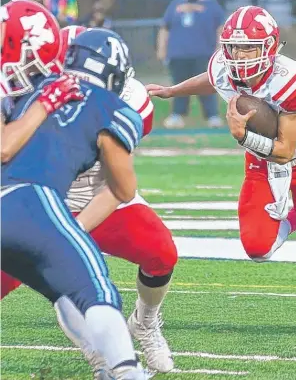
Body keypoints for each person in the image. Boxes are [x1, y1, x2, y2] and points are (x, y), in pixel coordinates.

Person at [147, 5, 296, 332]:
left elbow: (284, 151)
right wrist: (173, 90)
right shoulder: (223, 67)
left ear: (269, 48)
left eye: (248, 48)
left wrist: (242, 137)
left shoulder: (293, 80)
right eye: (233, 47)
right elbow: (212, 79)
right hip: (259, 163)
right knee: (257, 248)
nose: (239, 56)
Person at [2, 24, 178, 374]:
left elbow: (116, 186)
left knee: (161, 252)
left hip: (95, 195)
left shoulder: (132, 102)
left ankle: (145, 322)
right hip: (36, 197)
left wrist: (73, 231)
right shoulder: (27, 89)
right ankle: (102, 357)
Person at [157, 0, 225, 129]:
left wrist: (219, 49)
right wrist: (161, 49)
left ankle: (212, 116)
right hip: (178, 54)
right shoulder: (176, 3)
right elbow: (165, 28)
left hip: (203, 53)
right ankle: (177, 115)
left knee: (206, 85)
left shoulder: (211, 4)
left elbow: (220, 28)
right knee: (178, 85)